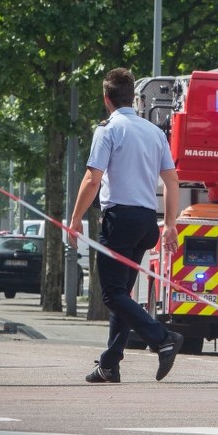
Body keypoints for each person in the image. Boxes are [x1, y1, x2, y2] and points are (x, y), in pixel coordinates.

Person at [67, 67, 182, 383]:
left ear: (106, 99)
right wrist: (170, 224)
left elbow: (93, 179)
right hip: (147, 223)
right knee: (123, 293)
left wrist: (74, 221)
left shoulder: (107, 130)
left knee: (111, 294)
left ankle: (162, 338)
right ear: (134, 97)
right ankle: (110, 364)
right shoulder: (154, 132)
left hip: (120, 220)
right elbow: (172, 182)